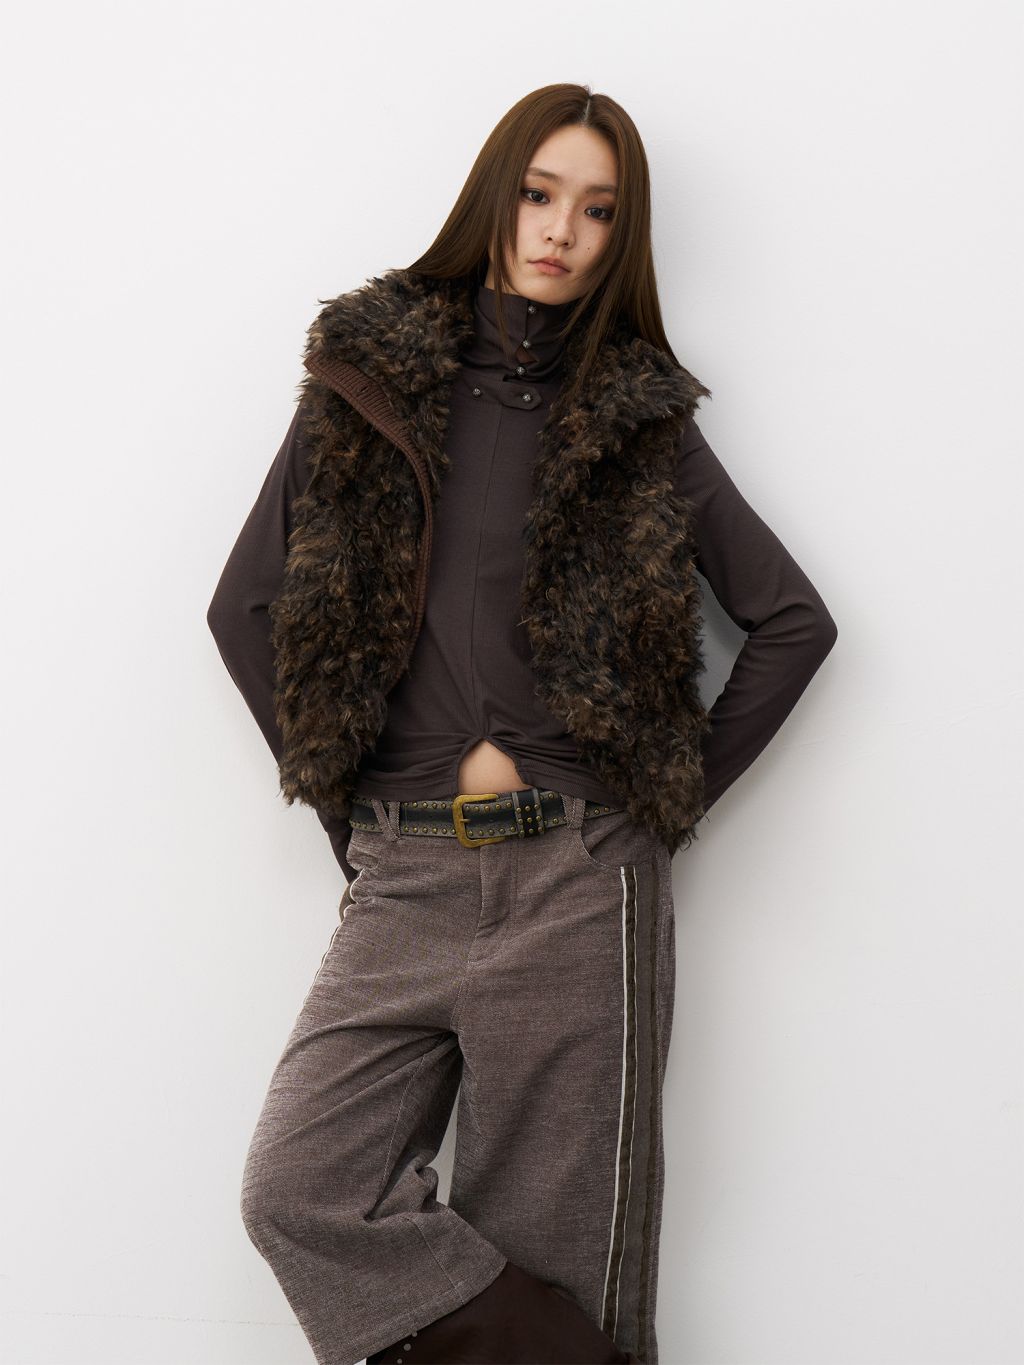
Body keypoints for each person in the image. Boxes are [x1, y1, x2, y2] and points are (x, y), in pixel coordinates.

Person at [207, 83, 837, 1365]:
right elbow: (244, 608)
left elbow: (793, 623)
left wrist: (653, 808)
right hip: (405, 872)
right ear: (494, 197)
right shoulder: (364, 384)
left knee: (565, 1260)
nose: (560, 231)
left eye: (597, 211)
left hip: (576, 879)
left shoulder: (637, 423)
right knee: (299, 1192)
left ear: (620, 238)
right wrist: (348, 809)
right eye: (540, 194)